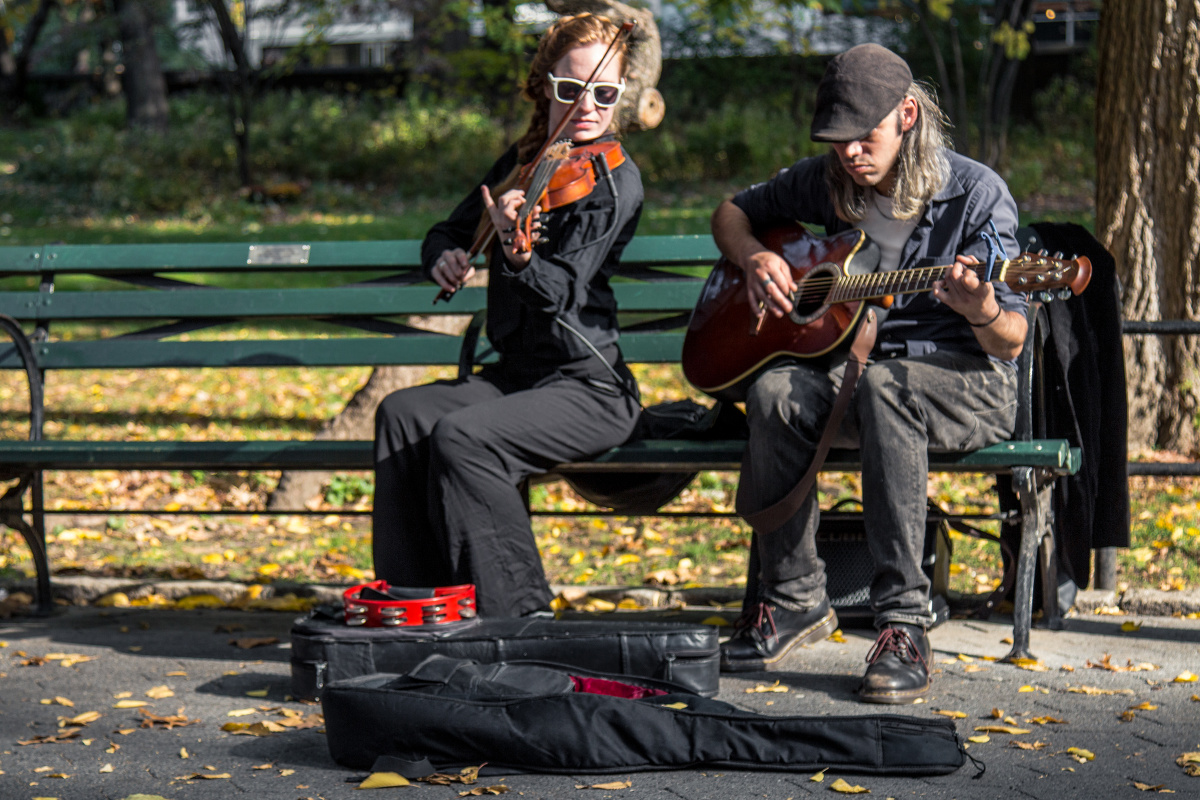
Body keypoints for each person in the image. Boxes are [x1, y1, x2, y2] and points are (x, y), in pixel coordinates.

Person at [711, 43, 1028, 703]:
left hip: (965, 385)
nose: (851, 152)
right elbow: (732, 211)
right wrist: (752, 259)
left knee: (891, 387)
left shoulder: (975, 194)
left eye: (866, 136)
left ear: (907, 115)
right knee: (774, 392)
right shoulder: (828, 179)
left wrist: (983, 307)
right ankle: (795, 598)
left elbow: (1011, 342)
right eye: (838, 140)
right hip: (860, 381)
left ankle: (904, 624)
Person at [372, 13, 643, 618]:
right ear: (546, 88)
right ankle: (416, 608)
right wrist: (443, 254)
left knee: (465, 438)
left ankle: (521, 617)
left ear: (619, 95)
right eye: (573, 91)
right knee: (403, 414)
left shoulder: (613, 183)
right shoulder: (524, 160)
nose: (589, 106)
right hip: (517, 378)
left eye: (605, 93)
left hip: (588, 387)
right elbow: (449, 227)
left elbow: (564, 292)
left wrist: (520, 256)